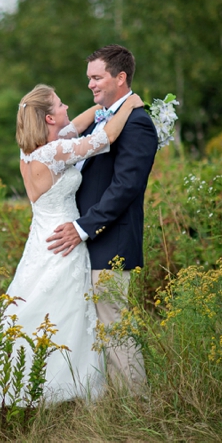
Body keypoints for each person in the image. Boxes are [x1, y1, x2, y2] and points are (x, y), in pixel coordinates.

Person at [3, 82, 143, 402]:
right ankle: (73, 387)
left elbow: (78, 124)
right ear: (49, 119)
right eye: (61, 104)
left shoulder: (31, 151)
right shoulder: (55, 151)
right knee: (69, 315)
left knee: (38, 307)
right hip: (64, 241)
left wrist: (103, 105)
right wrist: (129, 104)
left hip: (41, 239)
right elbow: (104, 138)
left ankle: (51, 382)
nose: (67, 107)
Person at [46, 44, 158, 391]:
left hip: (110, 239)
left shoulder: (137, 123)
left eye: (97, 77)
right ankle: (109, 402)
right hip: (88, 241)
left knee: (113, 324)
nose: (91, 84)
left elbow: (126, 187)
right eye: (89, 78)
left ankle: (137, 406)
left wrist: (82, 228)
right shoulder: (101, 118)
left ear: (120, 78)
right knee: (97, 326)